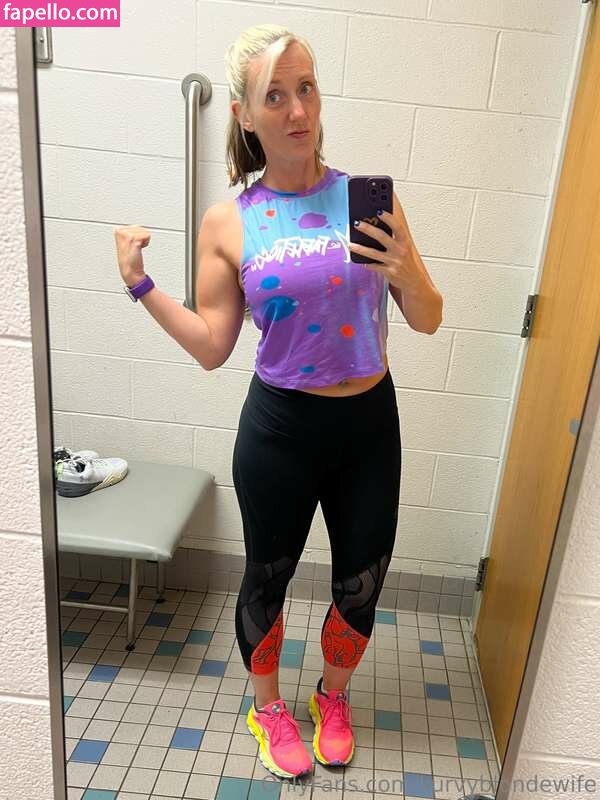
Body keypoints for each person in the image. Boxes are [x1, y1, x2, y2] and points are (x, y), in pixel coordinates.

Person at [114, 23, 442, 782]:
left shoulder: (367, 199)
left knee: (364, 576)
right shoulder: (229, 221)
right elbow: (212, 345)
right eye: (276, 96)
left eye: (307, 88)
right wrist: (139, 284)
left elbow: (427, 318)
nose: (298, 110)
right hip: (281, 429)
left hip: (368, 425)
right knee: (267, 577)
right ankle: (267, 709)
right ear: (244, 114)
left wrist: (406, 269)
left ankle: (333, 697)